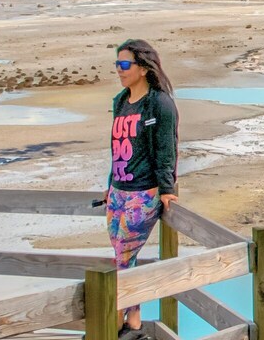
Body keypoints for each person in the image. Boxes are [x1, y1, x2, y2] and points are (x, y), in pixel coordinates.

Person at [105, 39, 179, 339]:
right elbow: (117, 149)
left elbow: (166, 148)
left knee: (123, 257)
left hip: (143, 193)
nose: (120, 71)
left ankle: (117, 320)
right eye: (117, 65)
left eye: (125, 65)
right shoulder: (121, 101)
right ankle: (133, 321)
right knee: (121, 257)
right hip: (118, 191)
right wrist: (109, 184)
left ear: (143, 67)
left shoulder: (159, 104)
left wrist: (166, 188)